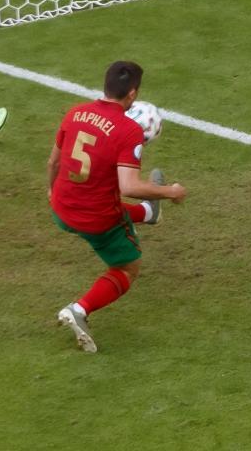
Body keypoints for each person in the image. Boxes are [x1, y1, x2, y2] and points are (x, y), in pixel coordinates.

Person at [49, 61, 187, 352]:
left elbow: (54, 162)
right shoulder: (128, 129)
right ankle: (79, 310)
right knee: (127, 267)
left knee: (102, 192)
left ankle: (150, 213)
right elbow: (130, 187)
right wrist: (170, 191)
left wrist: (51, 191)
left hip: (61, 208)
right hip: (96, 219)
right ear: (133, 93)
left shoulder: (75, 112)